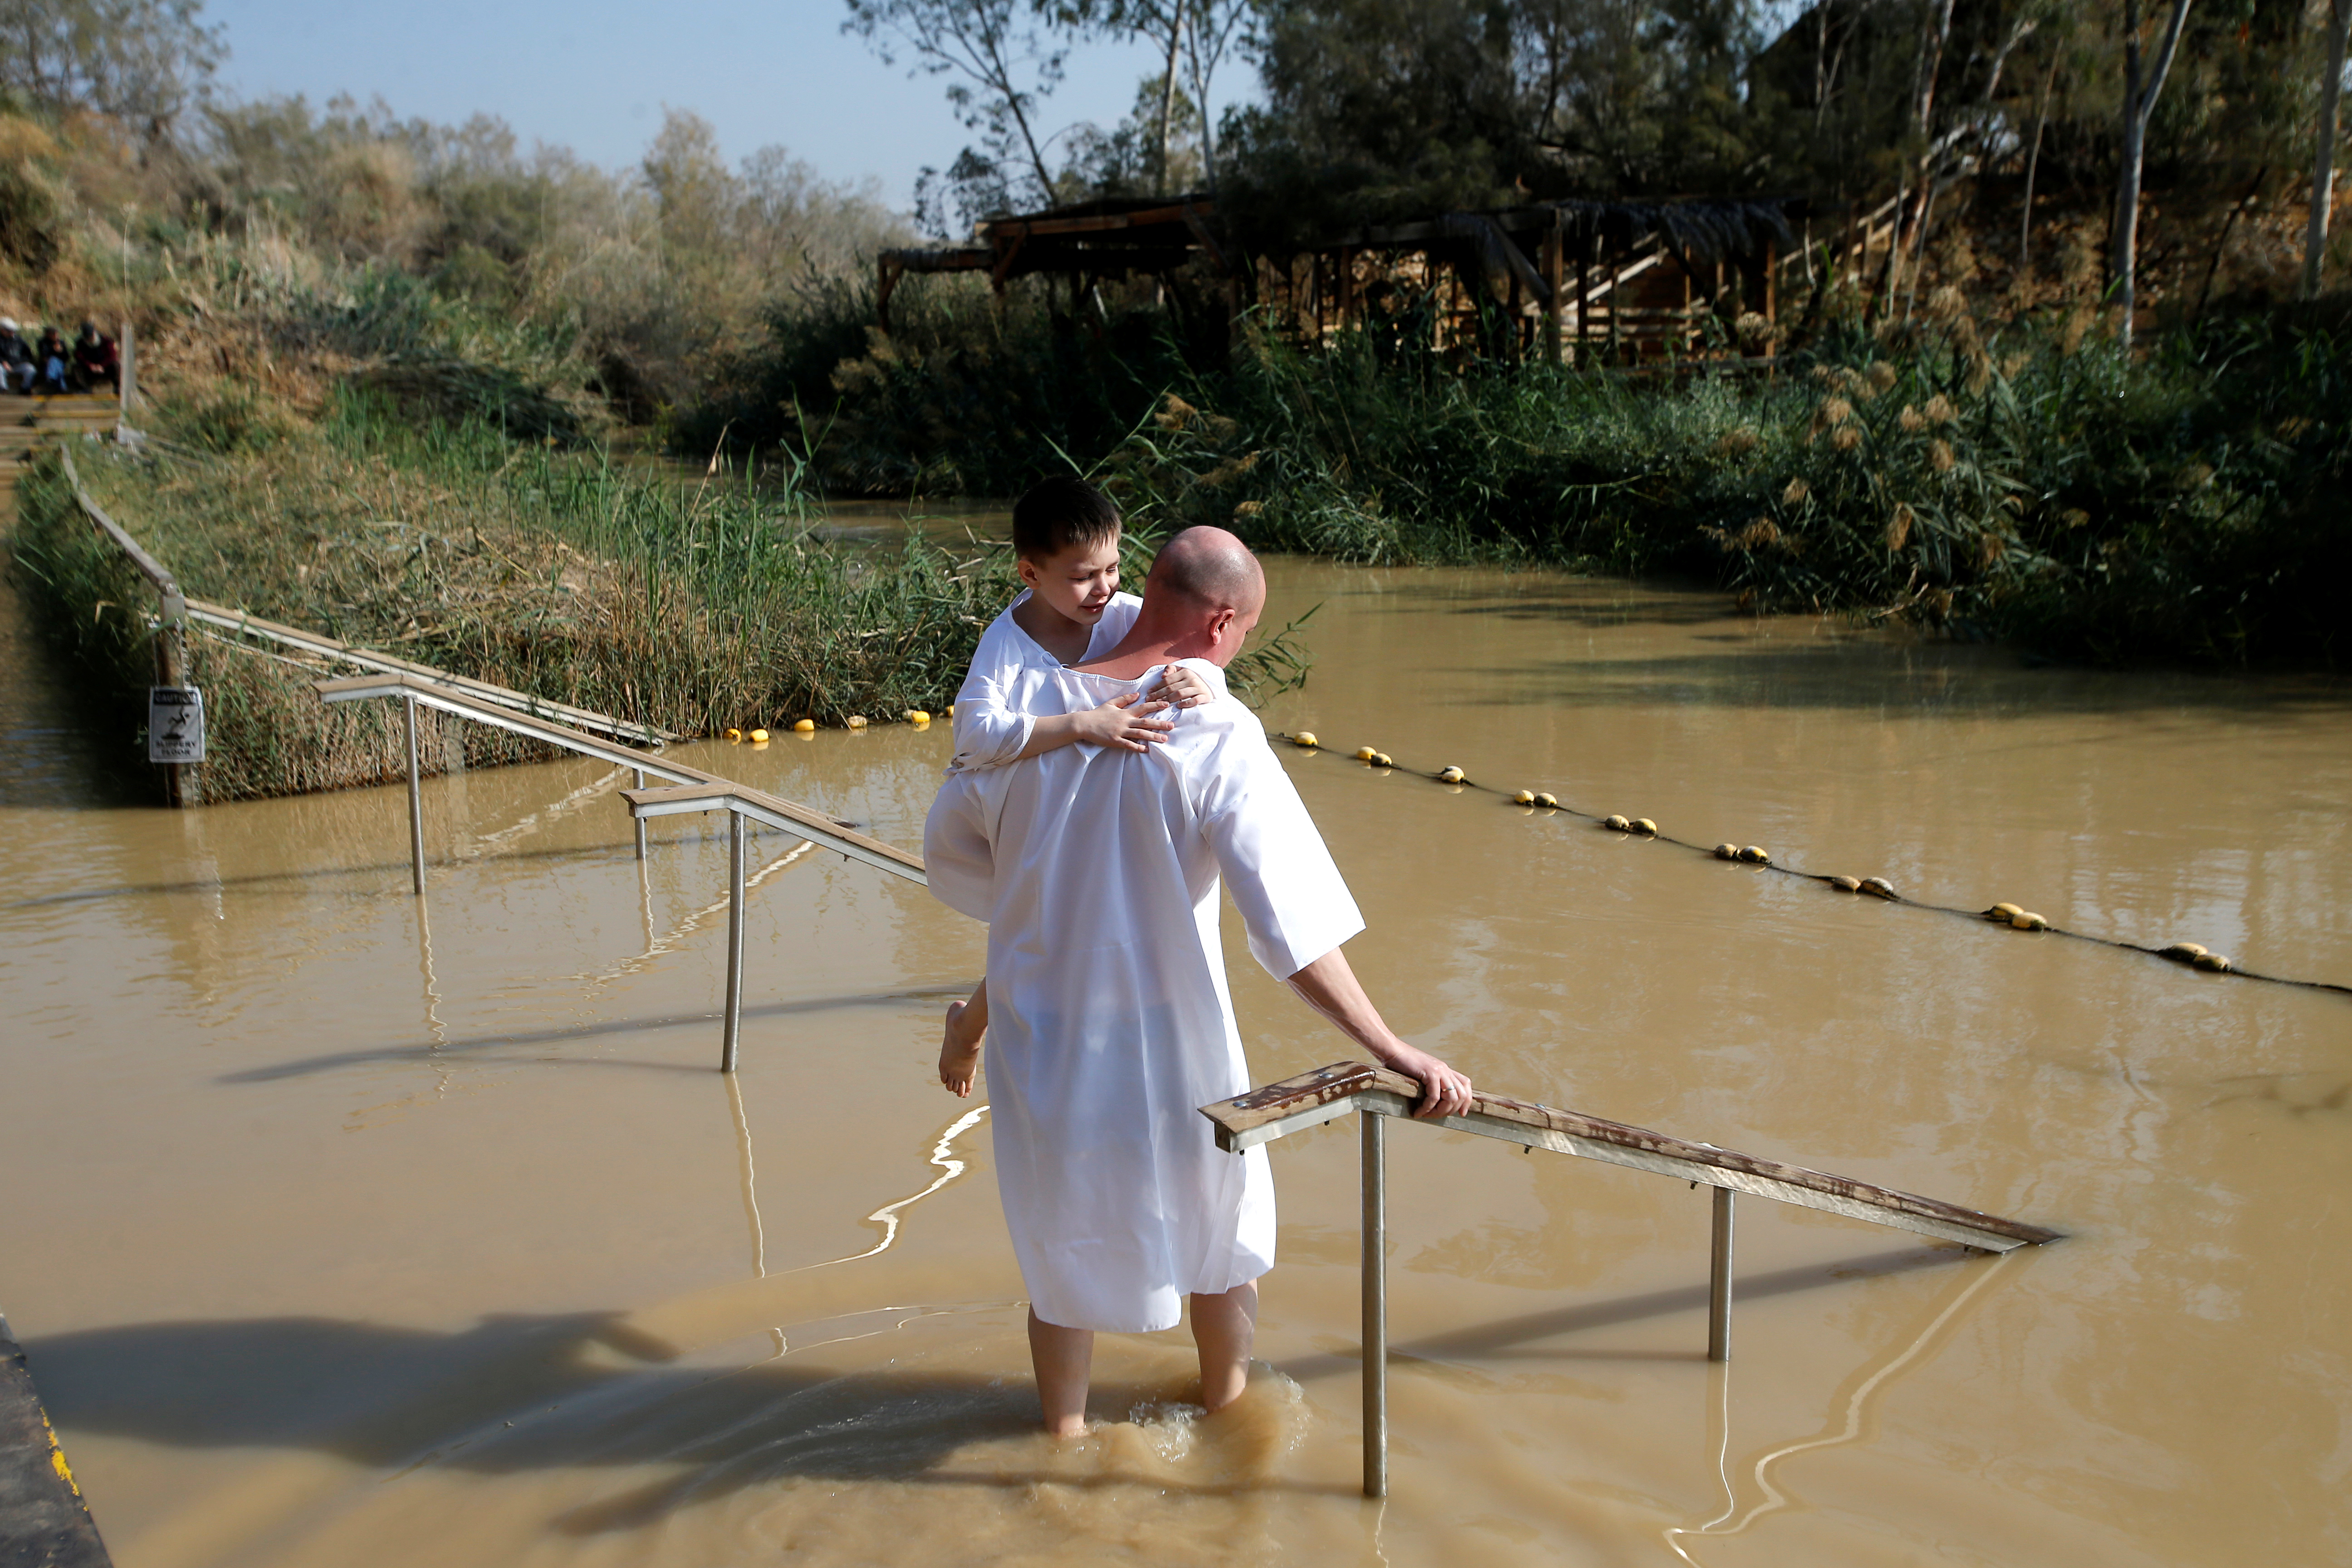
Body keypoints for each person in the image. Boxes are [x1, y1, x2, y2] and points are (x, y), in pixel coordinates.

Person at [924, 525, 1472, 1436]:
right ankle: (1227, 1423)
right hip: (1169, 1036)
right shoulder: (1216, 729)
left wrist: (976, 1025)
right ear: (1221, 623)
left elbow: (985, 871)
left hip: (1043, 1032)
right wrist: (1390, 1046)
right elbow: (1290, 928)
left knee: (1064, 1253)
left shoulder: (1021, 720)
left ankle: (1061, 1448)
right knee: (1223, 1241)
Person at [71, 323, 118, 394]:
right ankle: (85, 389)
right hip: (90, 369)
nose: (90, 339)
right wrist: (91, 366)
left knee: (116, 365)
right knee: (76, 367)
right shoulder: (80, 343)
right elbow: (79, 357)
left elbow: (112, 356)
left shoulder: (106, 341)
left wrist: (102, 366)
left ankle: (118, 387)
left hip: (105, 367)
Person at [0, 319, 33, 393]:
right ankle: (3, 389)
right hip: (3, 366)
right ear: (3, 330)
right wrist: (3, 362)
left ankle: (25, 388)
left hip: (17, 365)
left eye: (13, 331)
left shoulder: (19, 340)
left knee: (31, 369)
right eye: (9, 331)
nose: (12, 333)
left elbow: (28, 354)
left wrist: (20, 361)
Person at [35, 327, 70, 395]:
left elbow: (67, 357)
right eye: (53, 334)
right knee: (55, 363)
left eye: (56, 334)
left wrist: (61, 351)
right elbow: (44, 355)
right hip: (47, 365)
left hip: (60, 364)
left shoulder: (61, 343)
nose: (56, 336)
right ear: (48, 335)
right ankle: (63, 388)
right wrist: (53, 349)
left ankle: (51, 378)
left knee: (56, 362)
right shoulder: (43, 343)